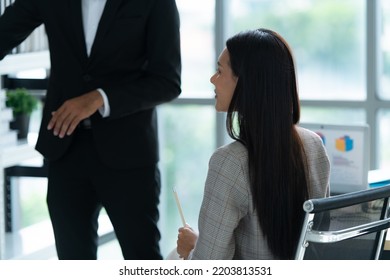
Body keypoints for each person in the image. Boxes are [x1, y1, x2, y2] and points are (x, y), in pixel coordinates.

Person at [0, 0, 181, 260]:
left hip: (129, 154)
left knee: (142, 261)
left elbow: (168, 81)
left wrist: (99, 98)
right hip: (65, 151)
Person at [176, 28, 330, 260]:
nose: (212, 79)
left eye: (219, 71)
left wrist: (190, 251)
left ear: (246, 83)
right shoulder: (314, 146)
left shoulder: (230, 163)